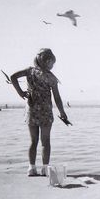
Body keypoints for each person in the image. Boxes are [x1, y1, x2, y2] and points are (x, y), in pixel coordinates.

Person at [10, 48, 68, 176]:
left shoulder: (29, 71)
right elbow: (57, 97)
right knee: (45, 141)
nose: (53, 66)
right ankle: (45, 168)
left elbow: (13, 77)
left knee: (33, 141)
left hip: (31, 111)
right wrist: (62, 112)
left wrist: (20, 93)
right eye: (52, 63)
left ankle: (31, 168)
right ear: (47, 61)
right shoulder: (51, 78)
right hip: (46, 112)